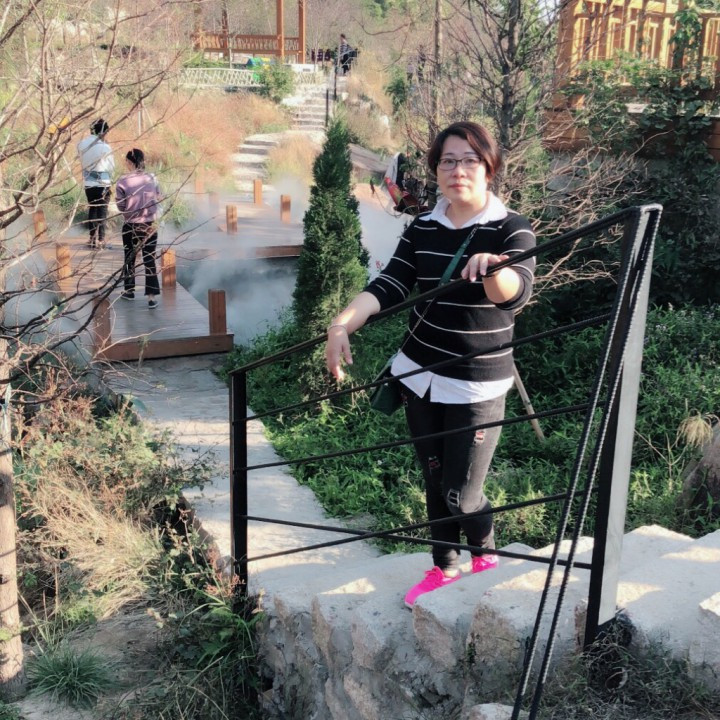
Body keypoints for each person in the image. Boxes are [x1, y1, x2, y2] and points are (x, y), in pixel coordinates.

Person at [325, 121, 537, 608]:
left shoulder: (512, 227)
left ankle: (485, 550)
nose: (457, 170)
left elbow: (516, 295)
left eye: (469, 160)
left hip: (476, 384)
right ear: (436, 170)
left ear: (488, 168)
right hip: (419, 375)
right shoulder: (422, 226)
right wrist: (341, 325)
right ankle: (444, 566)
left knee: (462, 494)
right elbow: (390, 284)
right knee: (434, 478)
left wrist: (495, 268)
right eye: (447, 161)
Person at [115, 148, 162, 309]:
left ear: (129, 162)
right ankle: (151, 297)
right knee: (149, 258)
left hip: (131, 224)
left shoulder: (123, 181)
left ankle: (129, 291)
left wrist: (129, 212)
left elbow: (120, 205)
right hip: (150, 224)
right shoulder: (152, 178)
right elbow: (158, 197)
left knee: (129, 256)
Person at [77, 118, 115, 249]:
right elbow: (111, 167)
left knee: (92, 208)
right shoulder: (105, 147)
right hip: (103, 183)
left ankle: (92, 238)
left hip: (89, 182)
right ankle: (101, 239)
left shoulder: (81, 144)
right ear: (103, 132)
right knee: (102, 211)